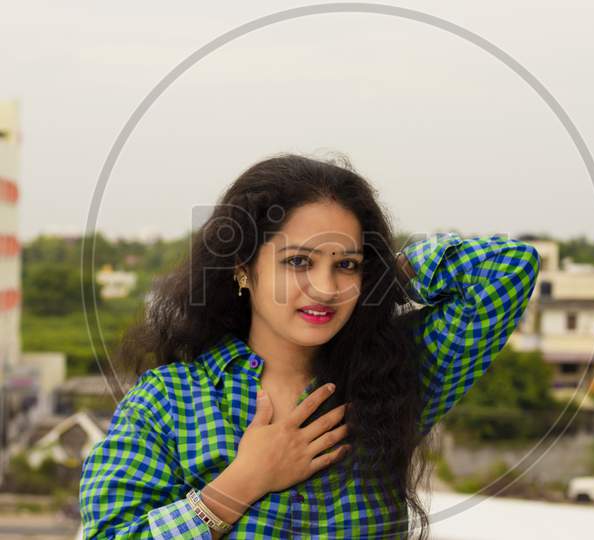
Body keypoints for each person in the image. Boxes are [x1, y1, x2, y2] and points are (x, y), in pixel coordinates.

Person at [78, 153, 540, 539]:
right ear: (243, 267)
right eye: (299, 261)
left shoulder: (392, 377)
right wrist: (243, 482)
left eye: (347, 264)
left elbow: (506, 270)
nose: (325, 287)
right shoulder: (171, 400)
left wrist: (385, 271)